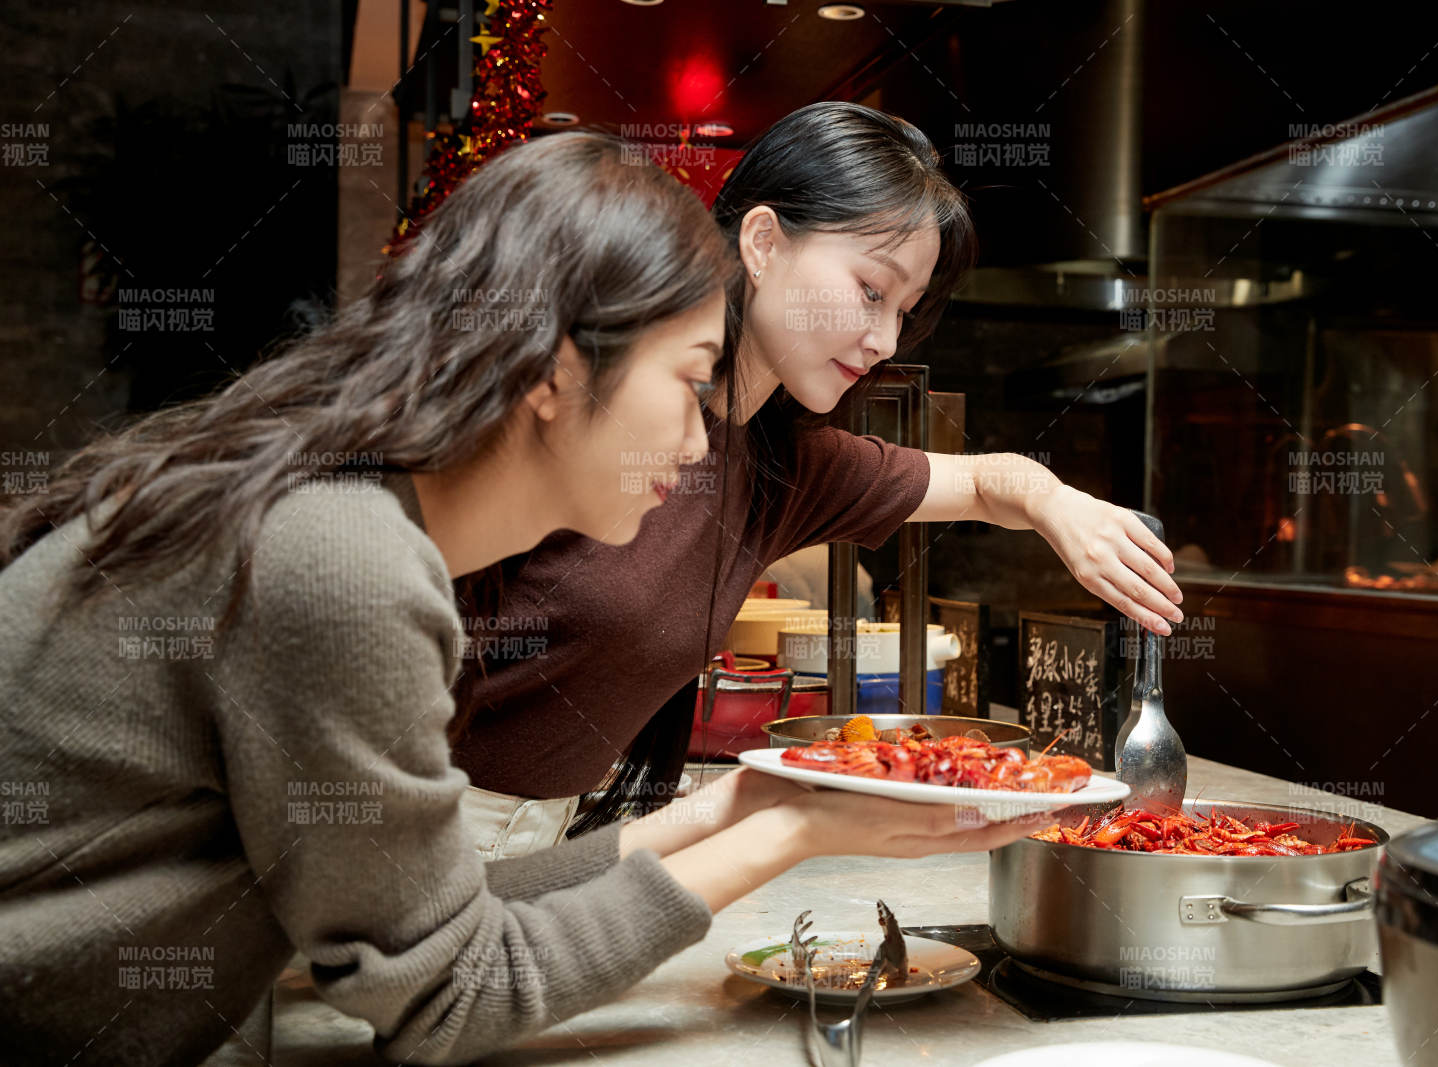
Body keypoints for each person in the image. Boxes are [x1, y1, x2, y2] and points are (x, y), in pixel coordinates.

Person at [0, 131, 1046, 1067]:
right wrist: (793, 836)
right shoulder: (343, 561)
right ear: (553, 373)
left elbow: (443, 920)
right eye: (688, 382)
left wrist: (739, 805)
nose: (696, 443)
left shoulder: (341, 514)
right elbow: (446, 999)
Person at [450, 101, 1185, 850]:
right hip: (427, 823)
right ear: (763, 243)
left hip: (542, 842)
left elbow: (988, 481)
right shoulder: (586, 394)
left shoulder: (780, 464)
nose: (886, 338)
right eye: (872, 290)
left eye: (906, 308)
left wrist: (1057, 503)